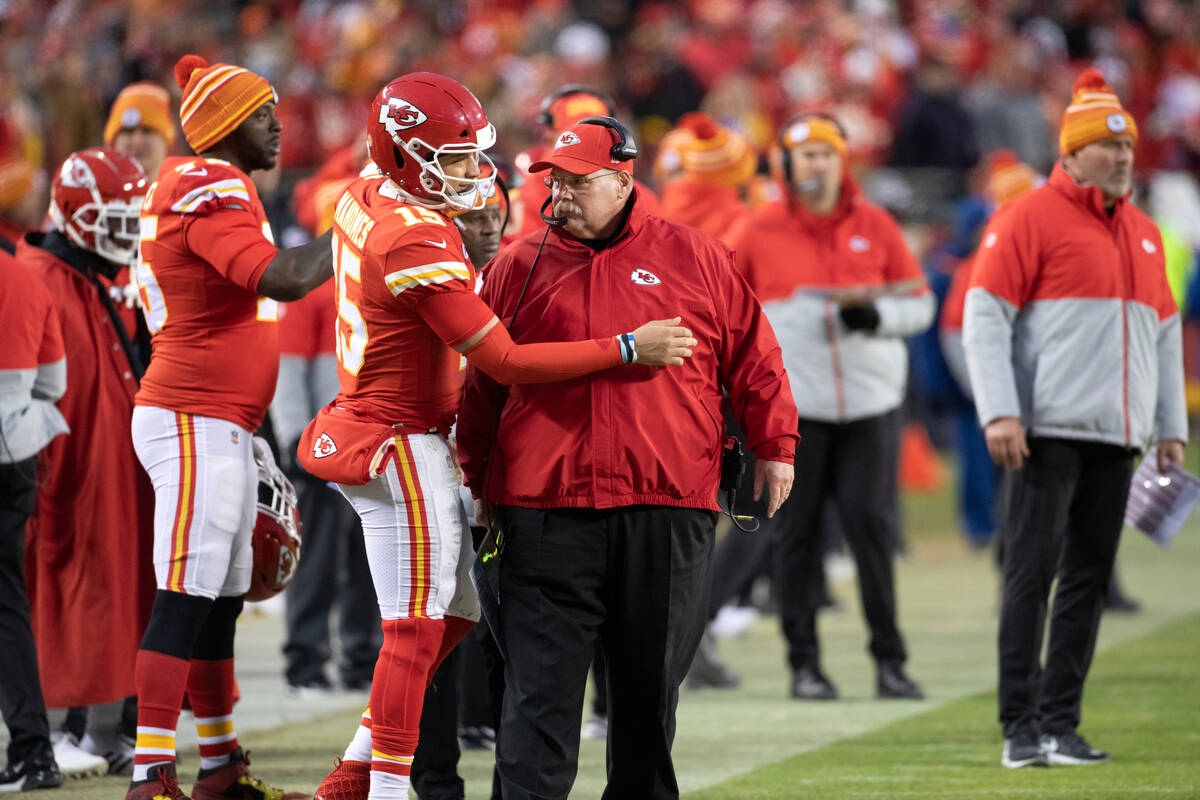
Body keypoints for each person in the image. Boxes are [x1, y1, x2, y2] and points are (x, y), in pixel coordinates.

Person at [300, 74, 696, 800]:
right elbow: (505, 361)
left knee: (456, 610)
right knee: (415, 632)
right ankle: (382, 790)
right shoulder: (414, 236)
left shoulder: (366, 193)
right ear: (403, 154)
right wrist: (626, 347)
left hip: (377, 421)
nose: (471, 170)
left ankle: (354, 770)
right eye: (451, 157)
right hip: (402, 441)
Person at [457, 115, 799, 800]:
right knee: (537, 703)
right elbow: (482, 388)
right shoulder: (516, 267)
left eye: (579, 182)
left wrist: (775, 446)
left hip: (666, 506)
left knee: (646, 706)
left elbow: (754, 356)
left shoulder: (696, 256)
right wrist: (477, 479)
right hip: (545, 509)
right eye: (555, 181)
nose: (562, 195)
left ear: (623, 180)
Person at [963, 69, 1187, 769]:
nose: (1122, 158)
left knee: (1088, 581)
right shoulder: (1026, 217)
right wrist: (1001, 411)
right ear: (1071, 152)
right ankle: (1020, 727)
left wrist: (1170, 426)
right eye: (1107, 147)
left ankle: (1060, 723)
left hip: (1118, 435)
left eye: (1128, 147)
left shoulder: (1145, 233)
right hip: (1047, 430)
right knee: (1030, 576)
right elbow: (983, 318)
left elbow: (1164, 334)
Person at [126, 54, 335, 800]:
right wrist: (361, 220)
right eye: (261, 114)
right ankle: (151, 773)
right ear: (222, 126)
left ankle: (219, 767)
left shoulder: (216, 184)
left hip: (220, 419)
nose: (278, 126)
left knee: (219, 598)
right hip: (193, 414)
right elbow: (280, 277)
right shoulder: (207, 183)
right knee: (187, 592)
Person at [732, 112, 933, 702]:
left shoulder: (876, 224)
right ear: (785, 163)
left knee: (872, 530)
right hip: (796, 411)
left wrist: (879, 317)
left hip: (871, 405)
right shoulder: (757, 229)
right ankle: (805, 666)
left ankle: (890, 662)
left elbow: (920, 304)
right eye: (806, 154)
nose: (817, 164)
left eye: (826, 153)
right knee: (798, 535)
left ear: (842, 161)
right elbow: (729, 313)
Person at [18, 147, 156, 777]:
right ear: (77, 216)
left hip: (109, 464)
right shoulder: (43, 279)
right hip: (59, 467)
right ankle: (54, 730)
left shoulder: (91, 276)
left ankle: (104, 730)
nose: (126, 237)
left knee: (115, 593)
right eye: (116, 222)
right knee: (64, 595)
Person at [275, 143, 381, 696]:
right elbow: (288, 368)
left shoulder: (368, 276)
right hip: (323, 443)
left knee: (368, 558)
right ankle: (307, 660)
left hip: (367, 441)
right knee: (317, 555)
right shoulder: (312, 288)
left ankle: (361, 659)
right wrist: (295, 435)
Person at [0, 190, 68, 793]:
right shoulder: (26, 278)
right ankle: (33, 750)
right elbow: (53, 382)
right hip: (15, 450)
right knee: (8, 603)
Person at [509, 85, 660, 242]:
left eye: (596, 140)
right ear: (548, 139)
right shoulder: (522, 198)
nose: (585, 149)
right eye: (576, 139)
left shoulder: (643, 201)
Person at [105, 82, 174, 184]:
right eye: (128, 131)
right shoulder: (92, 193)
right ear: (112, 144)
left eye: (147, 130)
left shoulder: (185, 192)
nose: (137, 140)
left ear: (166, 143)